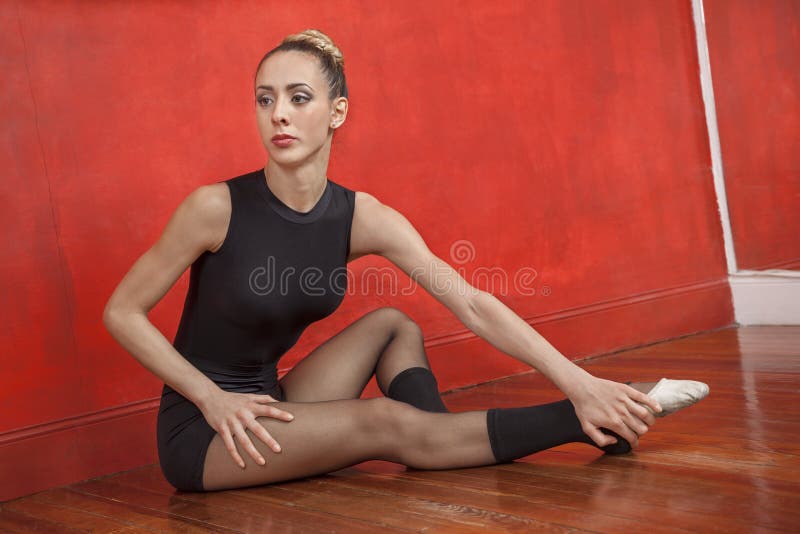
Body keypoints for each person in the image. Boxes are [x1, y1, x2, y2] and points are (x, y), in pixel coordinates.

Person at [103, 29, 708, 493]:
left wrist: (579, 378)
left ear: (336, 112)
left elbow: (471, 300)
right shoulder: (215, 207)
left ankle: (438, 439)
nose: (278, 114)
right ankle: (583, 418)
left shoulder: (362, 217)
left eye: (298, 97)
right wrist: (211, 399)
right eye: (265, 100)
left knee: (395, 323)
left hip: (273, 401)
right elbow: (122, 312)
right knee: (384, 422)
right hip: (208, 432)